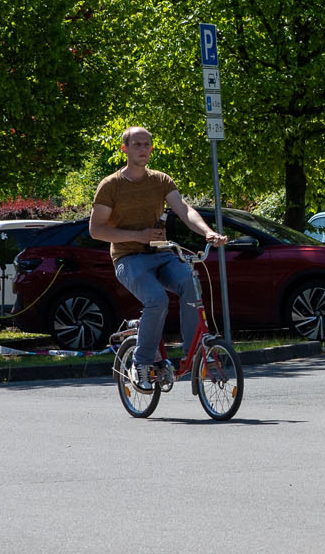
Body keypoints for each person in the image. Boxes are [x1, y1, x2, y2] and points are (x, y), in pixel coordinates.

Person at [89, 126, 225, 390]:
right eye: (137, 144)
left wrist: (208, 232)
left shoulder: (161, 180)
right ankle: (141, 362)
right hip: (128, 258)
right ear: (124, 149)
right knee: (157, 299)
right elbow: (96, 230)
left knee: (190, 284)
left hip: (161, 254)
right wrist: (138, 236)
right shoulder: (110, 185)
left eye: (147, 144)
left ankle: (194, 352)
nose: (143, 149)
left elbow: (184, 209)